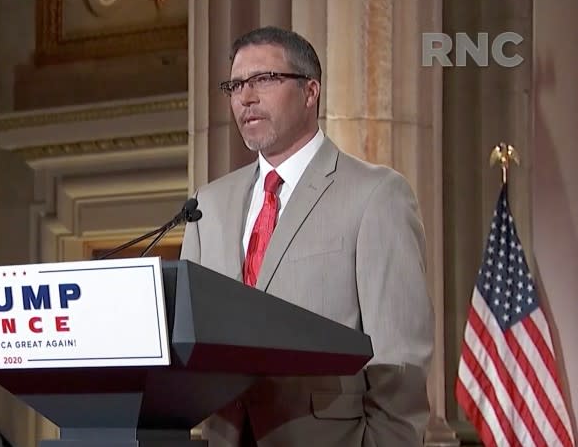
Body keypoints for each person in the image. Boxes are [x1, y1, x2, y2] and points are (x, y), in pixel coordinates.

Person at [180, 26, 435, 447]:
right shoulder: (208, 204)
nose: (246, 97)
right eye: (236, 85)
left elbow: (398, 362)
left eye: (264, 80)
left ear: (310, 91)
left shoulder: (375, 195)